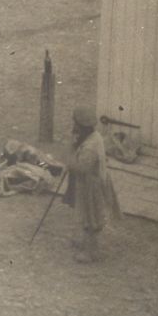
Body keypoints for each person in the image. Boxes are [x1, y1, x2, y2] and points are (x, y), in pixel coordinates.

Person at [63, 106, 121, 263]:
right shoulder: (90, 137)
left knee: (92, 217)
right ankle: (85, 242)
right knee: (85, 214)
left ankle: (92, 252)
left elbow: (81, 168)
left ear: (82, 127)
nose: (73, 127)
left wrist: (70, 153)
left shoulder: (91, 146)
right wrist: (75, 145)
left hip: (93, 186)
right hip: (86, 184)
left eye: (76, 124)